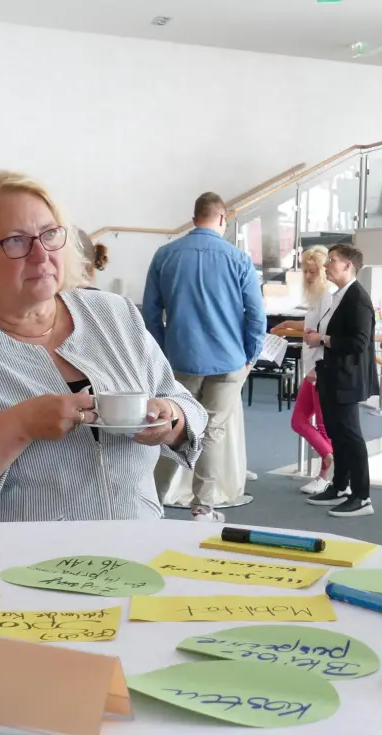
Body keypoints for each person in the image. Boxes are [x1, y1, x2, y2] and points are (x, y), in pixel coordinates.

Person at [0, 170, 205, 524]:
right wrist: (18, 426)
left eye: (50, 234)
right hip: (8, 567)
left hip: (134, 554)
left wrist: (172, 419)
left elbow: (185, 406)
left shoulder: (114, 314)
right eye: (15, 241)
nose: (41, 256)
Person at [140, 191, 265, 523]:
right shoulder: (238, 259)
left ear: (194, 217)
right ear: (222, 219)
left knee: (171, 426)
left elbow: (150, 314)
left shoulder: (165, 255)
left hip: (179, 358)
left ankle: (152, 500)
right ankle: (202, 507)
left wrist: (164, 352)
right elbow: (256, 316)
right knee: (212, 431)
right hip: (228, 360)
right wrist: (249, 356)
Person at [304, 243, 380, 517]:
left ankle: (362, 496)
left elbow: (359, 343)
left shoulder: (358, 298)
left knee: (350, 435)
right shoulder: (340, 295)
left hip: (347, 377)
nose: (326, 265)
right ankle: (340, 486)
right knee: (336, 432)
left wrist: (322, 339)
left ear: (348, 265)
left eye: (332, 260)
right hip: (332, 374)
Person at [274, 245, 336, 495]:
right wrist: (289, 323)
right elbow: (312, 325)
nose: (309, 277)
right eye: (307, 272)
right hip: (311, 367)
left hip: (320, 368)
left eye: (313, 272)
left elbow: (325, 333)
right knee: (299, 421)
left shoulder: (329, 294)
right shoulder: (317, 296)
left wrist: (318, 368)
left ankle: (328, 469)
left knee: (322, 425)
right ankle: (330, 464)